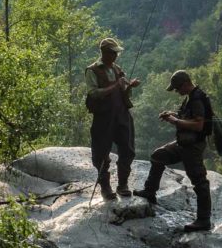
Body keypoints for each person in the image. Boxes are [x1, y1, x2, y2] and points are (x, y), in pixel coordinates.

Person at [134, 70, 212, 232]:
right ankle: (150, 192)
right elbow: (189, 116)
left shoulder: (197, 98)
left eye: (177, 88)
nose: (177, 92)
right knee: (158, 156)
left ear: (185, 84)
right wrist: (172, 114)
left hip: (193, 147)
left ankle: (203, 220)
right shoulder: (190, 97)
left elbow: (198, 125)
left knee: (200, 182)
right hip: (183, 144)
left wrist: (175, 121)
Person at [85, 37, 140, 200]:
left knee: (127, 149)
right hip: (103, 117)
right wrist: (114, 86)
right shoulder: (92, 70)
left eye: (116, 53)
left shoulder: (117, 69)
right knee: (101, 152)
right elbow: (93, 93)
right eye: (113, 53)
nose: (116, 56)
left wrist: (130, 86)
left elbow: (124, 91)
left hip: (122, 114)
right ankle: (105, 187)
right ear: (104, 53)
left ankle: (123, 184)